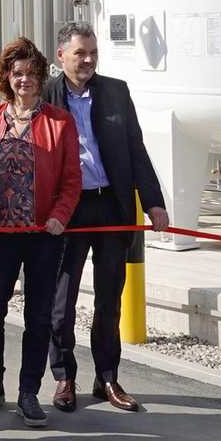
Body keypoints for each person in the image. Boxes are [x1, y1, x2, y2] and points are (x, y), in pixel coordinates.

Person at [45, 21, 169, 413]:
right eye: (80, 53)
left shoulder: (115, 92)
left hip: (111, 206)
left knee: (109, 299)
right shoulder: (46, 96)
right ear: (61, 55)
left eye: (93, 53)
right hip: (68, 210)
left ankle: (108, 378)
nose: (88, 60)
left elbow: (136, 148)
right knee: (61, 301)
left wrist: (153, 202)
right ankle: (64, 377)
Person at [0, 37, 82, 428]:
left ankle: (28, 391)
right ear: (6, 77)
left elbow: (71, 179)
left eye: (32, 73)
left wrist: (60, 216)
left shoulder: (60, 123)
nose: (25, 80)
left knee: (39, 315)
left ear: (41, 76)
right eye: (17, 73)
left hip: (42, 235)